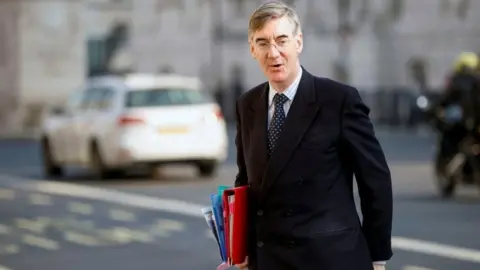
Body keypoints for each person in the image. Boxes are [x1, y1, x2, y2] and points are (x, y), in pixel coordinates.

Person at [233, 2, 393, 270]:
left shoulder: (339, 100)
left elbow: (375, 180)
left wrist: (377, 256)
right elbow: (245, 182)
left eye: (281, 40)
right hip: (268, 260)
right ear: (252, 49)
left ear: (298, 42)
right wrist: (240, 246)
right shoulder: (246, 105)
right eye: (262, 43)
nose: (273, 53)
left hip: (329, 258)